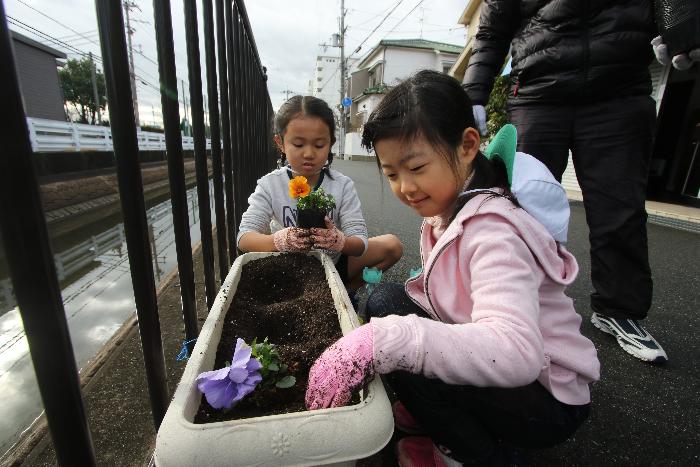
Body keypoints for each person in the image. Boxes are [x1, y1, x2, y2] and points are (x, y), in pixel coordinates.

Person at [305, 70, 600, 466]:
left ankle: (471, 451)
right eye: (392, 174)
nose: (405, 187)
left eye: (417, 167)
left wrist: (392, 341)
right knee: (386, 302)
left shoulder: (495, 230)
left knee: (396, 341)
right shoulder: (452, 205)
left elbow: (516, 353)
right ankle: (439, 410)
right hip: (513, 375)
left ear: (466, 145)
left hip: (545, 399)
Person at [462, 0, 669, 363]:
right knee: (517, 207)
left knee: (619, 210)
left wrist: (681, 26)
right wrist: (473, 92)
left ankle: (618, 310)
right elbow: (493, 29)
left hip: (620, 89)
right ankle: (513, 301)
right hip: (537, 92)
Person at [237, 95, 402, 290]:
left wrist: (339, 241)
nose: (308, 153)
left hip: (333, 263)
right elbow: (244, 238)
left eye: (319, 145)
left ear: (331, 142)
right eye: (298, 144)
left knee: (393, 246)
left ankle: (346, 292)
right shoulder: (270, 184)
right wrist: (279, 240)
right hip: (289, 266)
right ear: (280, 143)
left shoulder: (342, 185)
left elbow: (359, 242)